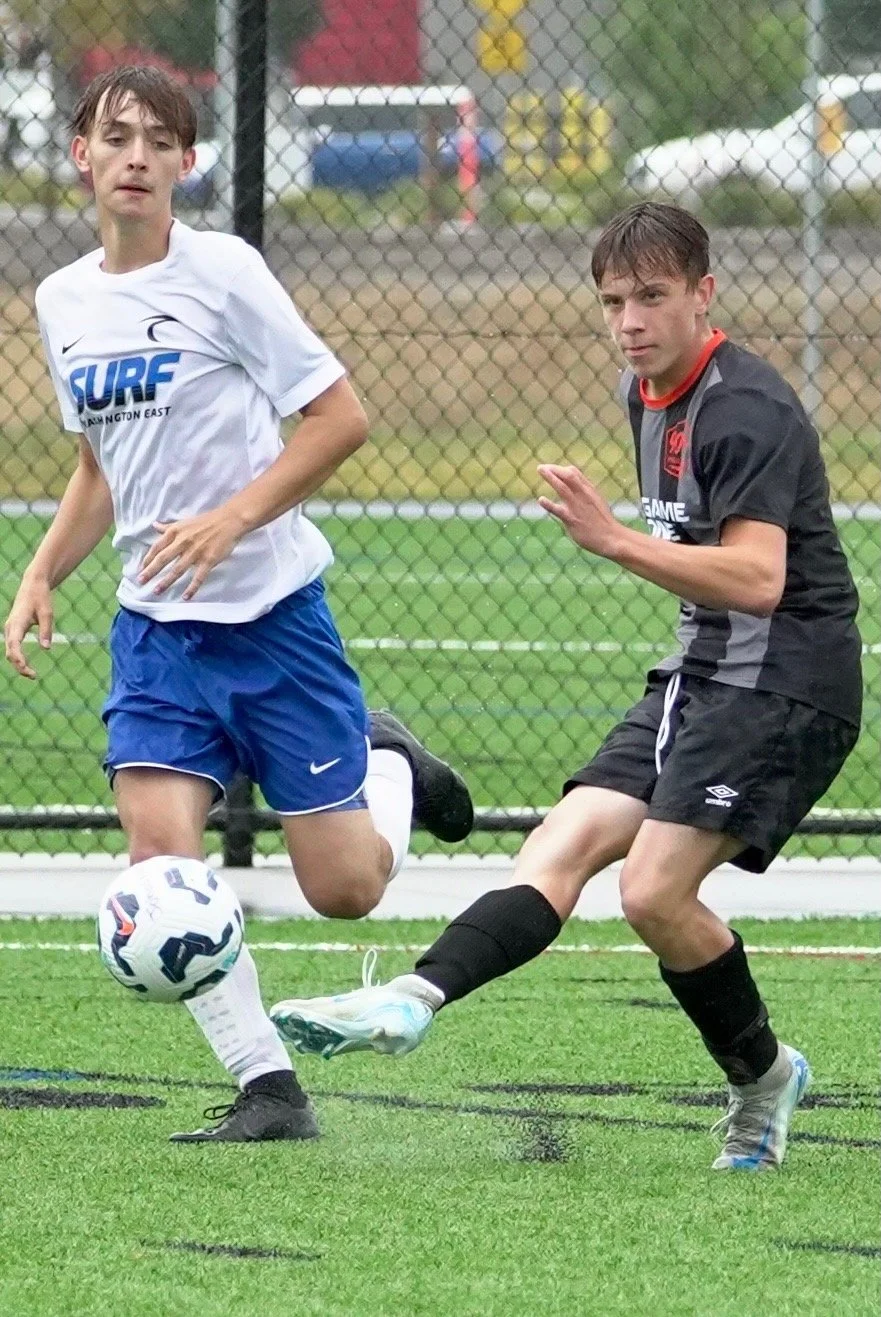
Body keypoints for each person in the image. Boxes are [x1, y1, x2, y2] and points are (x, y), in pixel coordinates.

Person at [270, 201, 863, 1171]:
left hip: (784, 682)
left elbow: (759, 578)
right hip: (701, 673)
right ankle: (408, 1000)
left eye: (651, 297)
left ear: (702, 294)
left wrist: (612, 542)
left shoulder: (744, 407)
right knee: (560, 843)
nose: (628, 320)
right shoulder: (646, 396)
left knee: (650, 892)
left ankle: (762, 1080)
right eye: (611, 301)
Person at [3, 66, 473, 1143]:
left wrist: (233, 518)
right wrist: (41, 574)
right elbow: (98, 463)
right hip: (156, 634)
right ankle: (270, 1089)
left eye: (155, 140)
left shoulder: (224, 274)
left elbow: (339, 419)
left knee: (345, 889)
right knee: (161, 871)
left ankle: (385, 756)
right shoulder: (63, 300)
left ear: (183, 163)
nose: (133, 155)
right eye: (113, 136)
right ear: (80, 153)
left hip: (271, 622)